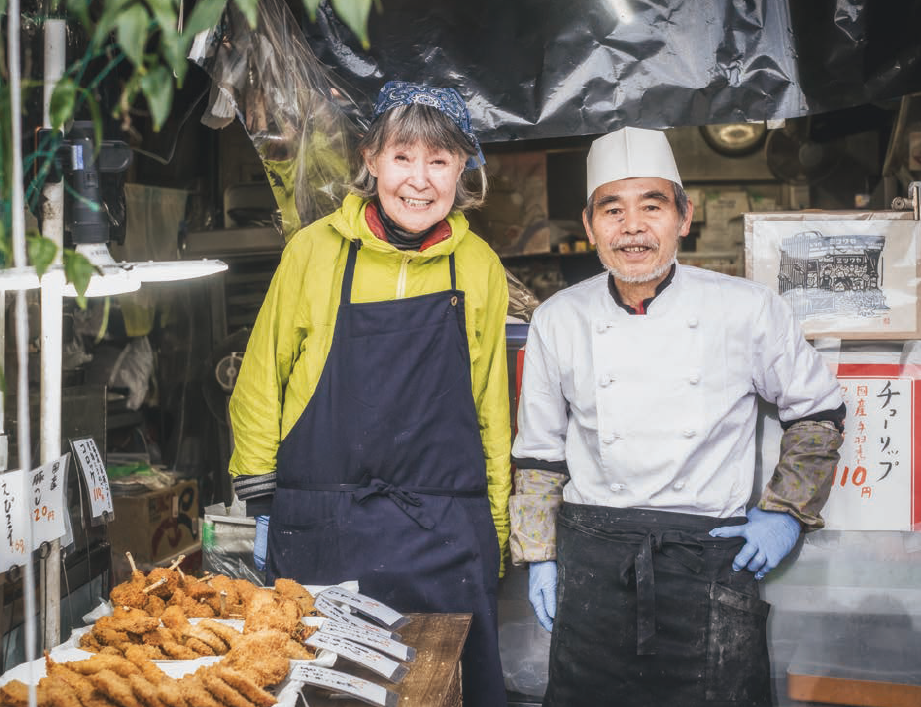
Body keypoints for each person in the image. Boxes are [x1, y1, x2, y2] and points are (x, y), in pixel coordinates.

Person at [509, 126, 846, 706]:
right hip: (593, 561)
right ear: (589, 225)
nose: (632, 227)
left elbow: (817, 412)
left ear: (683, 217)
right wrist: (539, 554)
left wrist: (786, 511)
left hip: (709, 556)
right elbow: (540, 455)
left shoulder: (747, 308)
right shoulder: (557, 319)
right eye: (612, 209)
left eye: (652, 205)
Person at [228, 81, 511, 707]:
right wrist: (260, 492)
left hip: (445, 535)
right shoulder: (314, 251)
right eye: (402, 156)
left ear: (463, 168)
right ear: (371, 159)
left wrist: (494, 523)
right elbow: (261, 376)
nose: (420, 180)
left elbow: (491, 406)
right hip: (329, 528)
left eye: (439, 160)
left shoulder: (479, 266)